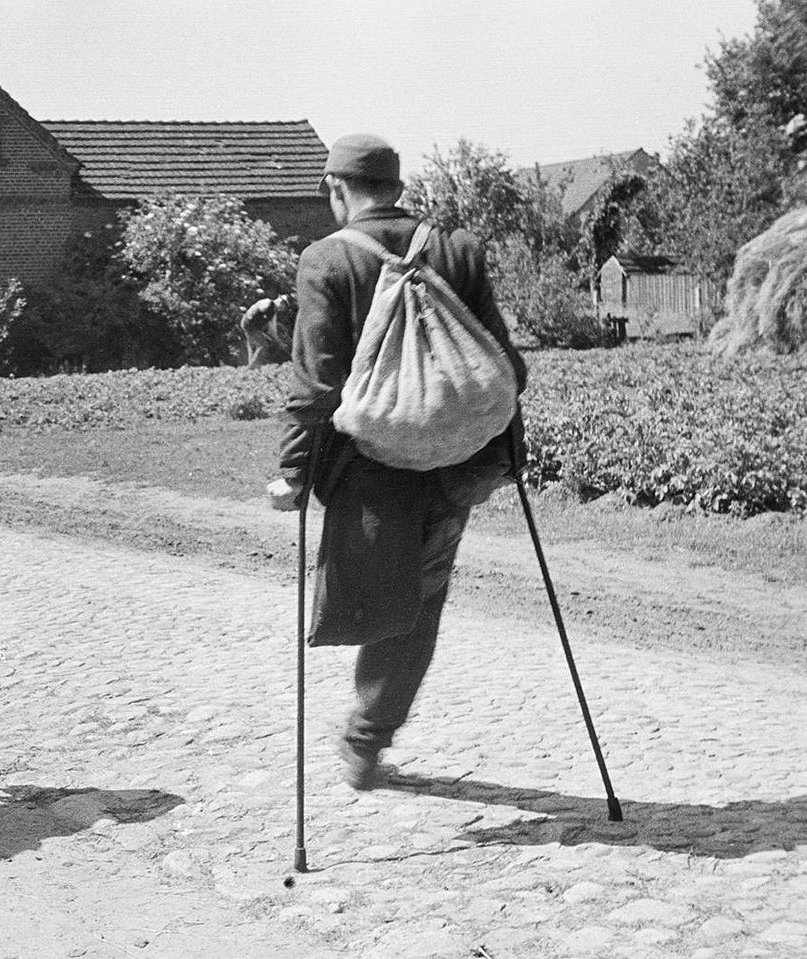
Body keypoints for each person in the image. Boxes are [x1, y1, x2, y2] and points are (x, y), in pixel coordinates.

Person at [265, 134, 527, 790]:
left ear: (335, 189)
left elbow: (317, 385)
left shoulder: (326, 260)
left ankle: (364, 732)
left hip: (369, 467)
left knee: (377, 589)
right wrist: (507, 451)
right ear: (399, 189)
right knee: (423, 592)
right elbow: (505, 363)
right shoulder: (458, 248)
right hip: (457, 460)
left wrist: (295, 471)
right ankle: (370, 734)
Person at [240, 293, 296, 367]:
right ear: (282, 303)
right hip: (250, 325)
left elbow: (273, 326)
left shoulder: (272, 309)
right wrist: (278, 341)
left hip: (252, 325)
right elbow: (271, 328)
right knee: (263, 345)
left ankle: (252, 367)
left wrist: (277, 339)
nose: (283, 310)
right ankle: (252, 367)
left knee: (254, 346)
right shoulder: (268, 305)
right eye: (284, 307)